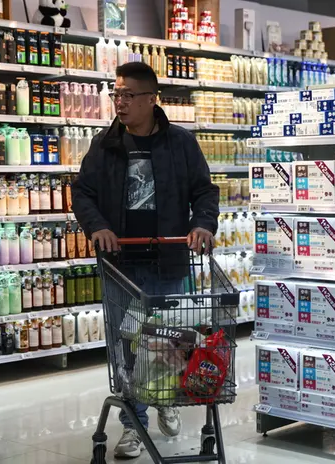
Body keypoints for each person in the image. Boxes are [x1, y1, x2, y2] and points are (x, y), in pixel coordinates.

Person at [71, 61, 219, 459]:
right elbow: (82, 193)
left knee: (168, 341)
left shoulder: (180, 143)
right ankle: (132, 424)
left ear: (151, 99)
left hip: (168, 261)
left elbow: (204, 192)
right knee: (128, 347)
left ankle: (165, 398)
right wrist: (97, 226)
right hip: (122, 266)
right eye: (116, 94)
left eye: (128, 95)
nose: (119, 102)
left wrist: (203, 224)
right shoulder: (105, 145)